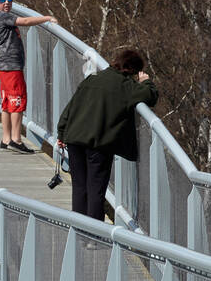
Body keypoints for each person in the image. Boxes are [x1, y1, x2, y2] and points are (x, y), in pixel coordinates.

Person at [56, 47, 158, 220]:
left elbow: (70, 108)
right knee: (96, 189)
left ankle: (80, 231)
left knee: (80, 188)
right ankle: (93, 235)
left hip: (75, 139)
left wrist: (61, 133)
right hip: (98, 144)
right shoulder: (125, 85)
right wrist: (145, 81)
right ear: (132, 70)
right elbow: (150, 95)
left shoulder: (92, 78)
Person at [0, 0, 57, 153]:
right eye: (2, 0)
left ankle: (6, 138)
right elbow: (24, 22)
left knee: (7, 103)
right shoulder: (3, 16)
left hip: (4, 66)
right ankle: (16, 139)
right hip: (11, 66)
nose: (6, 2)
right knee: (17, 101)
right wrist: (47, 18)